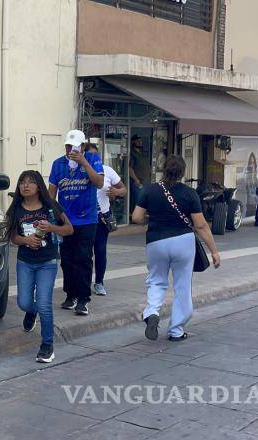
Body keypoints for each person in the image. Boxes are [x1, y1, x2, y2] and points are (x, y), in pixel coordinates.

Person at [132, 156, 221, 342]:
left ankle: (152, 312)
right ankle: (176, 330)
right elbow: (201, 225)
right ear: (182, 173)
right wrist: (214, 251)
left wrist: (153, 218)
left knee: (156, 280)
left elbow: (136, 217)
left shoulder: (149, 190)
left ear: (163, 170)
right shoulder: (190, 193)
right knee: (182, 285)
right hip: (183, 241)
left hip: (156, 241)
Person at [8, 170, 73, 363]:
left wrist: (51, 228)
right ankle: (31, 311)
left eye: (30, 182)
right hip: (25, 262)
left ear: (39, 186)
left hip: (47, 262)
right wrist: (26, 240)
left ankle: (47, 345)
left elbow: (69, 229)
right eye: (22, 182)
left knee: (44, 304)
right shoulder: (16, 209)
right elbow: (13, 238)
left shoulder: (51, 207)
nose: (25, 186)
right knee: (24, 303)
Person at [48, 129, 104, 316]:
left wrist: (84, 163)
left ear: (82, 146)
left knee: (83, 258)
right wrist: (51, 216)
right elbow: (52, 193)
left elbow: (99, 183)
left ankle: (83, 298)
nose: (70, 149)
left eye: (74, 146)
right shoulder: (58, 164)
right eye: (68, 146)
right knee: (67, 259)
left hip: (87, 219)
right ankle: (70, 294)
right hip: (66, 220)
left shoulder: (93, 159)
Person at [85, 143, 127, 296]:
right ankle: (83, 282)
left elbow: (123, 189)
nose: (93, 158)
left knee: (100, 250)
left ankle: (99, 282)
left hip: (101, 217)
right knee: (84, 252)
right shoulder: (79, 171)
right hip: (84, 218)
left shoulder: (107, 170)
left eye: (95, 155)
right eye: (89, 155)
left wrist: (116, 191)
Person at [129, 135, 151, 214]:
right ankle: (135, 217)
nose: (140, 142)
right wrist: (136, 179)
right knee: (138, 201)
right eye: (138, 141)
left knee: (144, 201)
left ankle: (141, 216)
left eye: (140, 141)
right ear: (133, 142)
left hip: (146, 182)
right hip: (138, 182)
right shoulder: (132, 154)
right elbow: (129, 168)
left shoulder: (143, 153)